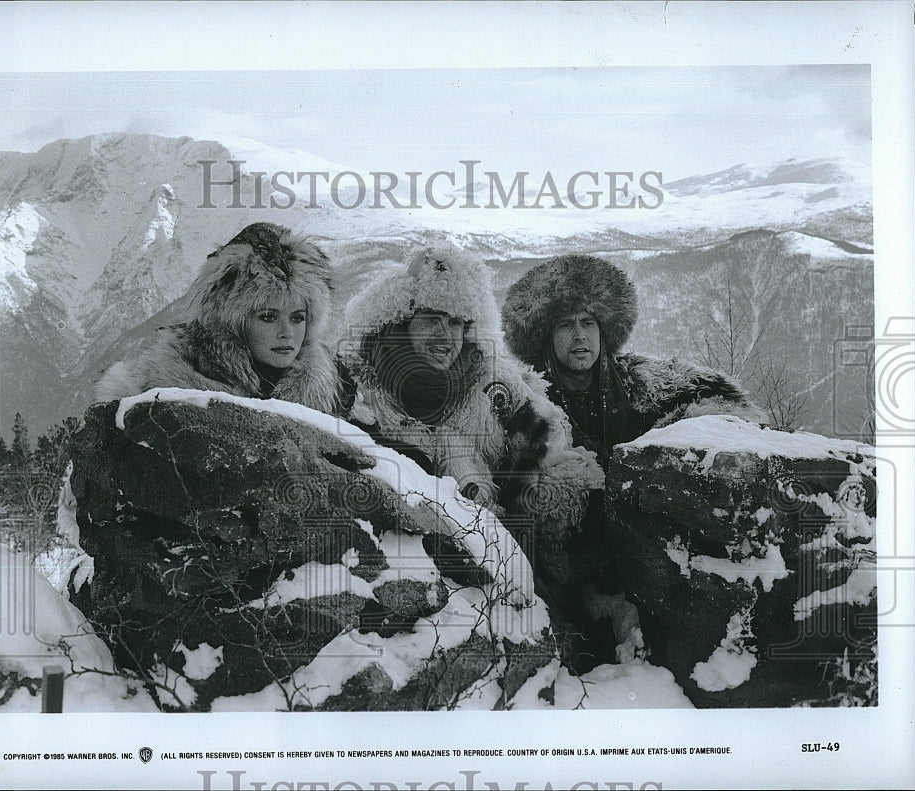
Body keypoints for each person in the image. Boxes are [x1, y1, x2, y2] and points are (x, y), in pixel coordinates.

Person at [502, 254, 765, 666]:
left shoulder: (641, 381)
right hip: (571, 564)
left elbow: (722, 405)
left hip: (648, 551)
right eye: (565, 324)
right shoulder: (527, 400)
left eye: (588, 323)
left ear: (605, 330)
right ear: (544, 335)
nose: (579, 336)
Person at [338, 243, 604, 594]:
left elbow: (547, 430)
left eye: (457, 322)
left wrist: (513, 494)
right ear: (401, 320)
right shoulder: (361, 387)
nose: (446, 335)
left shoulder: (489, 378)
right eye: (432, 319)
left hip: (504, 550)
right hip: (408, 562)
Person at [94, 222, 342, 415]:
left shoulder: (331, 391)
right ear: (231, 324)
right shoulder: (160, 388)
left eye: (298, 318)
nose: (286, 333)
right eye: (268, 317)